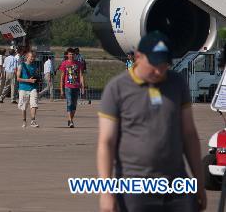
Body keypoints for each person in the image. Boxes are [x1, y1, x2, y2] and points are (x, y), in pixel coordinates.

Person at [97, 31, 206, 212]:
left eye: (164, 65)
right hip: (134, 188)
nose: (159, 71)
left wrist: (199, 183)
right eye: (154, 64)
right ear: (138, 57)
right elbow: (106, 142)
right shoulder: (117, 88)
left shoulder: (177, 84)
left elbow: (189, 135)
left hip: (177, 186)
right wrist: (106, 192)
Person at [58, 48, 84, 127]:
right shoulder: (64, 63)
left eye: (72, 54)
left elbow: (81, 75)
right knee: (69, 103)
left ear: (75, 55)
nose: (71, 56)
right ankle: (70, 120)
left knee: (74, 104)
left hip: (76, 86)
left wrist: (82, 86)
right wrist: (61, 90)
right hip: (67, 86)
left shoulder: (78, 63)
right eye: (69, 54)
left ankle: (70, 120)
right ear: (67, 55)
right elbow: (62, 77)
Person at [16, 50, 40, 128]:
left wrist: (36, 79)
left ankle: (33, 120)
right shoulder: (21, 66)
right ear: (27, 57)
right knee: (24, 106)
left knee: (34, 103)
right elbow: (18, 79)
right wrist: (28, 80)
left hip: (33, 87)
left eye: (34, 57)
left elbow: (35, 75)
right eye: (31, 57)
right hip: (23, 88)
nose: (32, 58)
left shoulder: (35, 66)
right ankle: (24, 120)